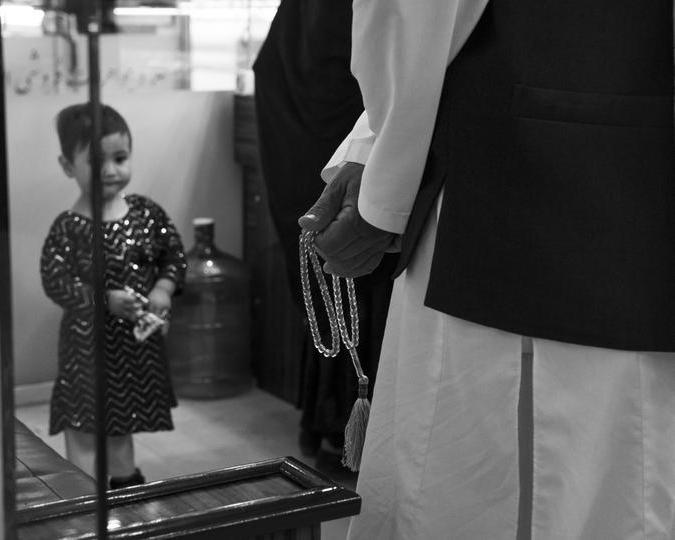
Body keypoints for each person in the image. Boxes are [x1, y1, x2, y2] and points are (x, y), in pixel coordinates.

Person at [301, 1, 675, 539]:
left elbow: (415, 16)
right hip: (532, 191)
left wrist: (383, 183)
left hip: (499, 182)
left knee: (474, 476)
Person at [252, 0, 397, 471]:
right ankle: (352, 428)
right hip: (348, 153)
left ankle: (333, 425)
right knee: (358, 291)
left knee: (334, 292)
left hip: (309, 143)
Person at [40, 103, 186, 488]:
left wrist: (163, 288)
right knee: (85, 424)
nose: (110, 171)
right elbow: (55, 280)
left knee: (123, 423)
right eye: (97, 161)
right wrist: (103, 300)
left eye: (120, 158)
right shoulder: (70, 229)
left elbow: (174, 254)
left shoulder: (145, 213)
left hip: (132, 351)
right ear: (68, 165)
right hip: (85, 349)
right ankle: (85, 499)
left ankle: (126, 493)